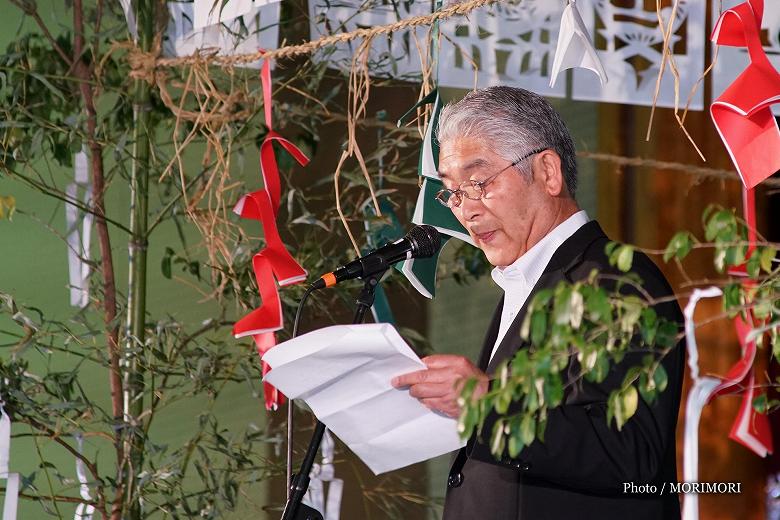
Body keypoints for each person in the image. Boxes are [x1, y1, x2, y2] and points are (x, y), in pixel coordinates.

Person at [391, 86, 685, 520]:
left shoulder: (614, 279)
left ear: (548, 171)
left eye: (479, 181)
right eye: (452, 192)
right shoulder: (526, 284)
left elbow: (631, 450)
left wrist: (486, 407)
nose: (465, 210)